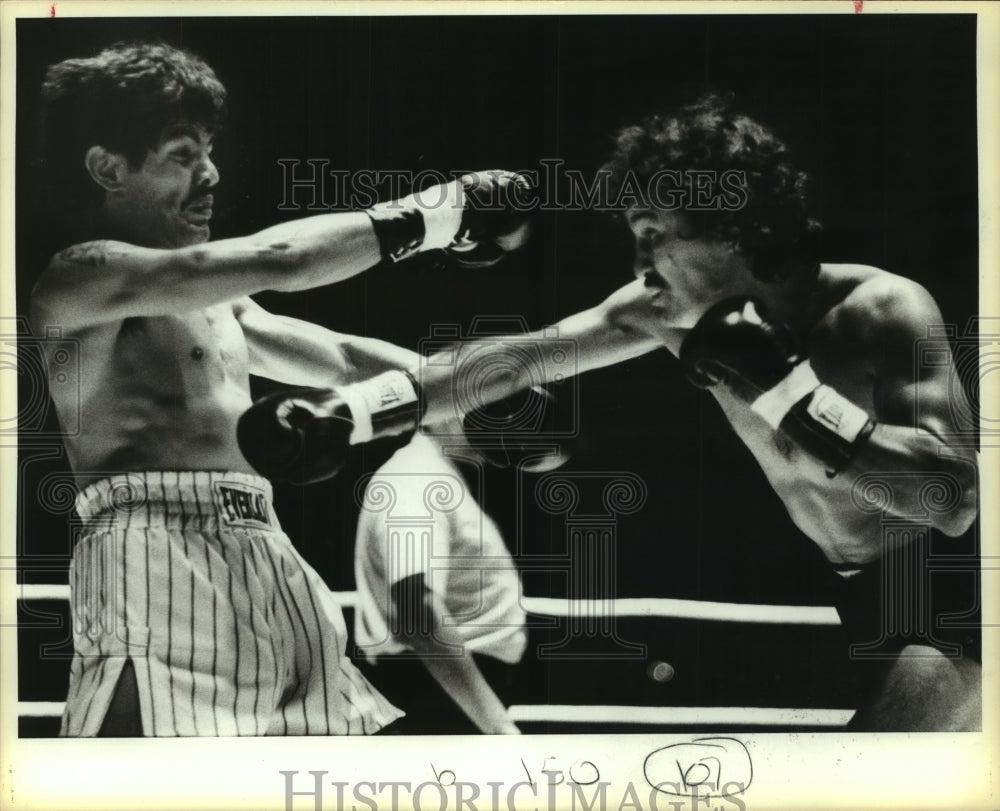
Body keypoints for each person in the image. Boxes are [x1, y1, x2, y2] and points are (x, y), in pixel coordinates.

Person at [242, 94, 981, 731]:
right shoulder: (665, 312)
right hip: (855, 589)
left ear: (732, 226)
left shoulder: (882, 308)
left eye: (656, 231)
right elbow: (522, 357)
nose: (639, 260)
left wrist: (793, 395)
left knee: (859, 777)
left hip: (952, 585)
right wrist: (353, 413)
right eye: (634, 233)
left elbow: (952, 501)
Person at [29, 40, 529, 736]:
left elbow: (351, 359)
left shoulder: (223, 307)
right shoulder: (76, 281)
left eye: (208, 150)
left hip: (266, 544)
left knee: (314, 776)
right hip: (150, 545)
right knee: (134, 778)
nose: (211, 173)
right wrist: (438, 214)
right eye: (182, 154)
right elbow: (279, 258)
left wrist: (487, 400)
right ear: (107, 168)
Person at [353, 428, 529, 734]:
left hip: (452, 689)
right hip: (438, 693)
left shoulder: (435, 474)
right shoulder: (415, 479)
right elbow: (419, 613)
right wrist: (499, 728)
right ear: (443, 406)